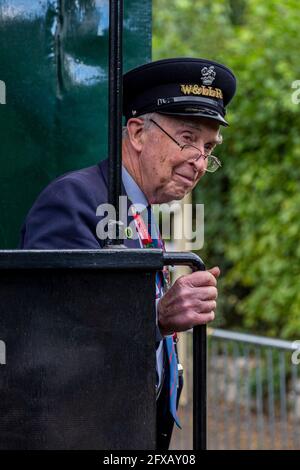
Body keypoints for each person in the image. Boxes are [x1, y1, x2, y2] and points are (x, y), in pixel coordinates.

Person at [20, 57, 237, 449]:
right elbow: (54, 335)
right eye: (187, 138)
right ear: (137, 133)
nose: (200, 161)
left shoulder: (141, 213)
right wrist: (156, 316)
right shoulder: (73, 200)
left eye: (208, 148)